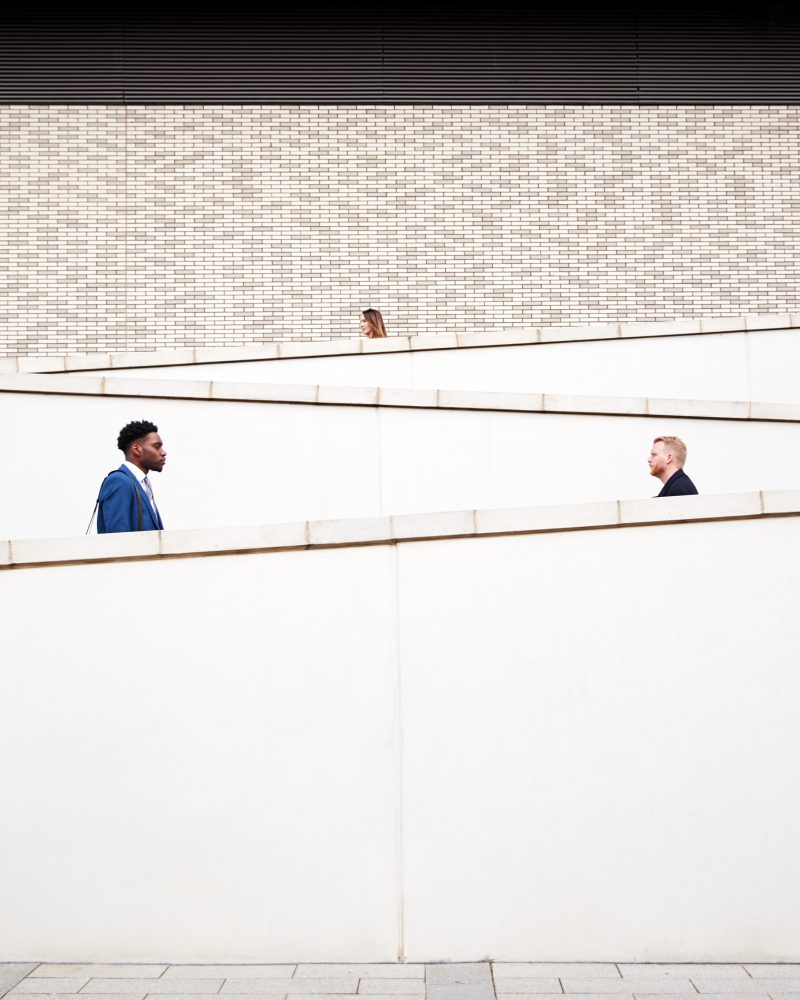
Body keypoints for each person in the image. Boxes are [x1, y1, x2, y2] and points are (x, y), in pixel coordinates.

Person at [96, 420, 167, 532]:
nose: (163, 452)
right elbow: (117, 539)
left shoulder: (142, 484)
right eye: (157, 446)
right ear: (136, 449)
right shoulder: (120, 482)